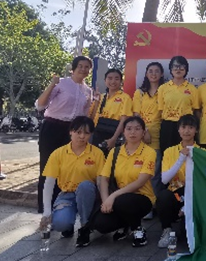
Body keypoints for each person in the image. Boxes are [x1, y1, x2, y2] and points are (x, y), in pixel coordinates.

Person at [35, 56, 94, 214]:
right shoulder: (61, 83)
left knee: (65, 169)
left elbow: (85, 115)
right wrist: (51, 84)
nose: (83, 69)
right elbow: (40, 105)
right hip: (52, 127)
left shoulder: (88, 91)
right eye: (80, 66)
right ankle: (44, 210)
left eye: (87, 67)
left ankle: (59, 208)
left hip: (72, 132)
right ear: (73, 68)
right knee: (47, 168)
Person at [39, 116, 105, 247]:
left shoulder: (97, 153)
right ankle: (68, 225)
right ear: (71, 131)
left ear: (91, 134)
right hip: (67, 194)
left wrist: (105, 201)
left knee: (85, 186)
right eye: (78, 132)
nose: (82, 136)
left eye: (86, 133)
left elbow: (101, 181)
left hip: (88, 194)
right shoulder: (58, 153)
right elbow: (49, 183)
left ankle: (85, 226)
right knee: (60, 224)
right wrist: (46, 211)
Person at [93, 116, 156, 247]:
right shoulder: (115, 152)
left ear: (143, 132)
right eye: (129, 129)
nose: (133, 132)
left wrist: (113, 196)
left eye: (137, 129)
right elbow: (104, 178)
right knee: (101, 224)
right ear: (123, 132)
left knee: (123, 201)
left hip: (142, 198)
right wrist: (105, 201)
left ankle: (137, 229)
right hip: (118, 199)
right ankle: (126, 224)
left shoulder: (149, 152)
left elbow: (140, 182)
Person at [156, 115, 201, 248]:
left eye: (191, 127)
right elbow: (165, 179)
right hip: (176, 194)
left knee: (185, 237)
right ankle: (166, 229)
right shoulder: (170, 151)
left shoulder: (202, 152)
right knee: (163, 197)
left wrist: (186, 205)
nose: (187, 131)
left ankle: (185, 220)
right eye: (183, 127)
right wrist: (181, 158)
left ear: (196, 130)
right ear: (178, 129)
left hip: (195, 196)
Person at [133, 62, 165, 195]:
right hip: (140, 136)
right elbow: (136, 115)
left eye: (157, 71)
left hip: (158, 136)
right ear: (146, 74)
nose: (153, 74)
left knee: (155, 172)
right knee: (138, 170)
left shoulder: (165, 91)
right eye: (150, 71)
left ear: (162, 74)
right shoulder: (140, 93)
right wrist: (144, 132)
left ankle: (153, 201)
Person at [158, 56, 200, 151]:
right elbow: (160, 110)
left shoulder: (193, 89)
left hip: (186, 126)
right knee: (167, 153)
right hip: (168, 126)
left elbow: (196, 110)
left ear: (186, 69)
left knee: (186, 154)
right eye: (175, 66)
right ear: (171, 69)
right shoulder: (163, 88)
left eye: (181, 67)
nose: (178, 69)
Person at [91, 69, 133, 152]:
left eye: (116, 79)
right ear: (105, 80)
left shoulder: (125, 98)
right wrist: (96, 102)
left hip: (114, 134)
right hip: (97, 133)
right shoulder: (101, 97)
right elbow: (93, 117)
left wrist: (114, 139)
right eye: (110, 78)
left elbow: (124, 120)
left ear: (121, 81)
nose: (113, 81)